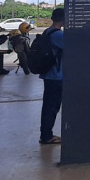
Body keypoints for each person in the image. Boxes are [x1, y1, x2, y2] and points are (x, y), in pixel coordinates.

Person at [39, 8, 64, 145]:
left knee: (48, 106)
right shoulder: (58, 35)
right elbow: (74, 48)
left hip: (48, 75)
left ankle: (46, 134)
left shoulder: (47, 31)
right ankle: (47, 136)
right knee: (52, 107)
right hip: (56, 76)